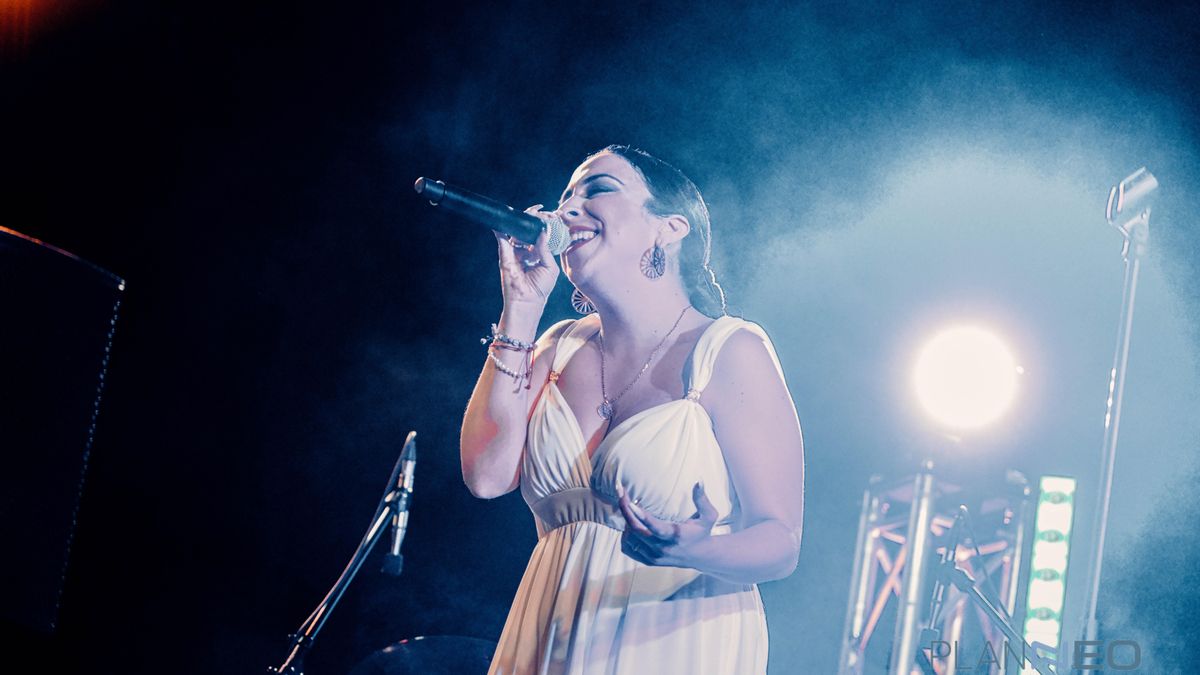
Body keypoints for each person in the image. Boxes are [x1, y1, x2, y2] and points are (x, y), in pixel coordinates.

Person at [460, 145, 805, 674]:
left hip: (675, 635)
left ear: (669, 227)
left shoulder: (728, 349)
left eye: (597, 189)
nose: (566, 209)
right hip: (553, 633)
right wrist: (521, 307)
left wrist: (689, 552)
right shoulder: (555, 346)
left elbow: (779, 542)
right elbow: (486, 476)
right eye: (565, 197)